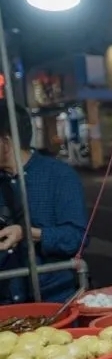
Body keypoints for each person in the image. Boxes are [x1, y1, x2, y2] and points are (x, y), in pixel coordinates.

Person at [0, 103, 88, 304]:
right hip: (5, 304)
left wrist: (28, 233)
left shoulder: (59, 176)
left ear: (5, 141)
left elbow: (76, 238)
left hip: (54, 300)